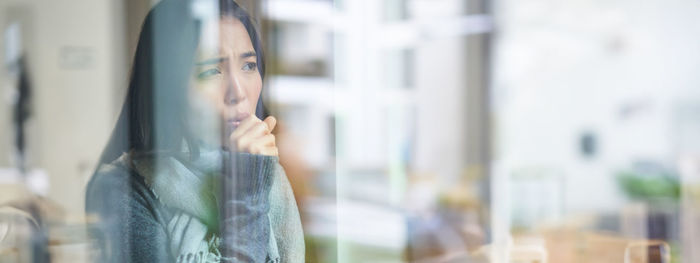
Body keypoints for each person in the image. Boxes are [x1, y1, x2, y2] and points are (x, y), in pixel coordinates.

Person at [85, 0, 304, 262]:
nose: (239, 92)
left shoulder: (266, 173)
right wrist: (247, 195)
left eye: (248, 66)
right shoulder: (122, 188)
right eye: (212, 70)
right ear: (168, 86)